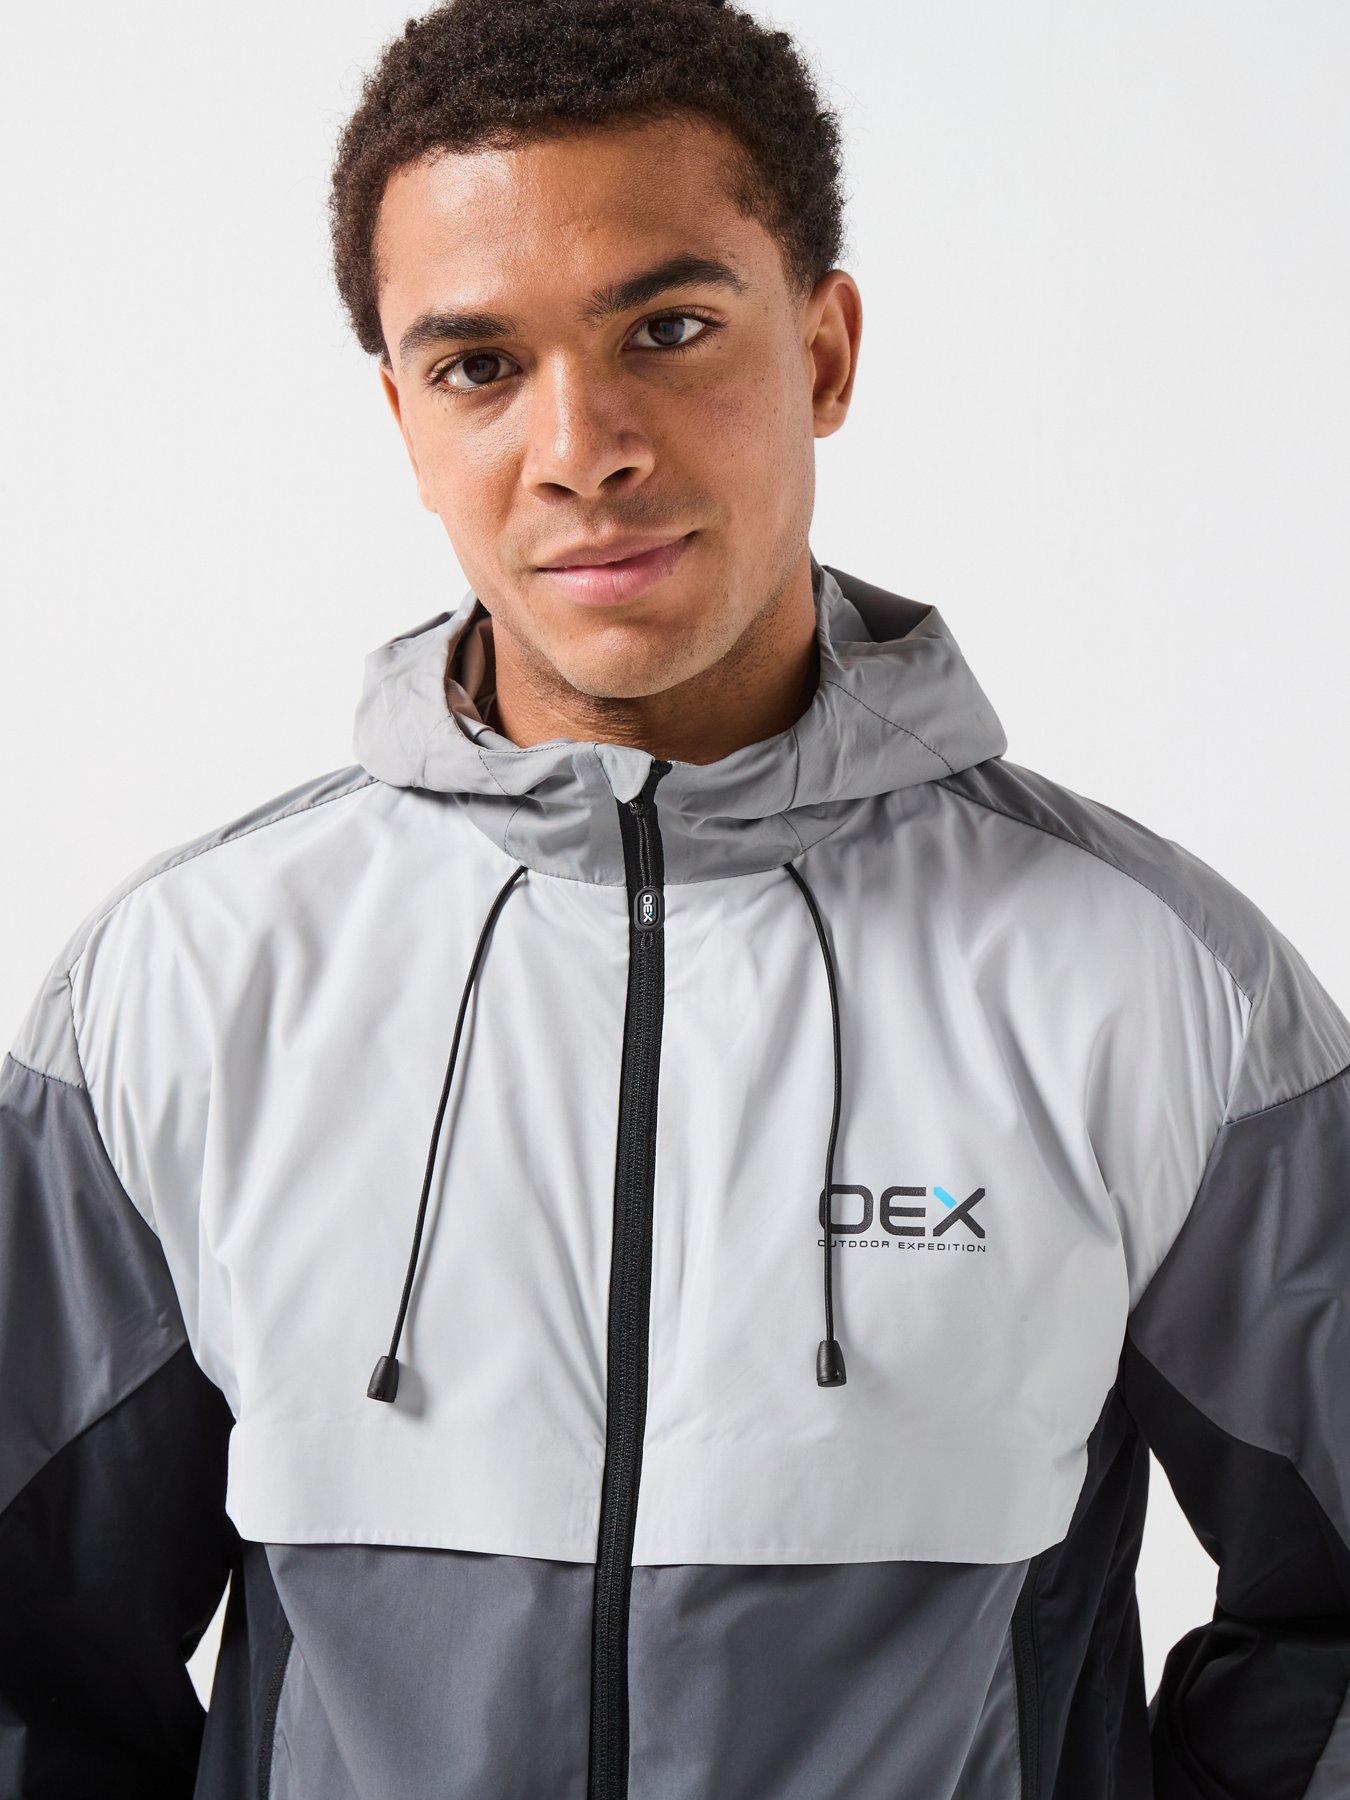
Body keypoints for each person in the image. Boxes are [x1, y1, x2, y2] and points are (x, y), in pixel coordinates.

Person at [2, 1, 1347, 1794]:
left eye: (668, 328)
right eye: (479, 366)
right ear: (404, 418)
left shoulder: (1157, 986)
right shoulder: (180, 989)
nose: (584, 445)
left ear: (824, 349)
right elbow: (31, 1667)